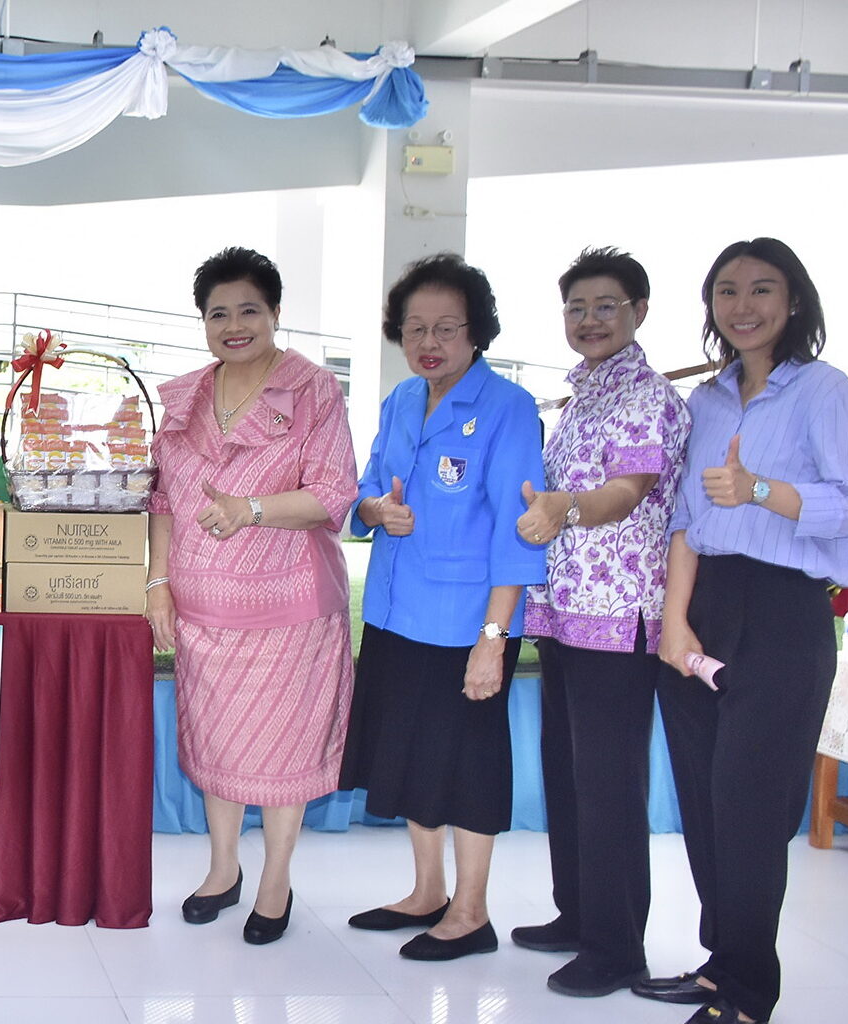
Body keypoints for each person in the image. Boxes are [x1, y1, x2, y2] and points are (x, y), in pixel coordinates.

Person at [642, 239, 848, 1024]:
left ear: (794, 300)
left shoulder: (826, 391)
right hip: (703, 604)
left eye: (762, 289)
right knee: (706, 804)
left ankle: (748, 993)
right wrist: (675, 623)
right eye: (728, 290)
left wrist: (760, 490)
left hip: (782, 612)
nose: (743, 306)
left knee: (749, 810)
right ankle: (722, 966)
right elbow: (684, 519)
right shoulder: (706, 402)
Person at [143, 247, 356, 946]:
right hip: (203, 612)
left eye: (249, 311)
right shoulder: (184, 398)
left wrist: (252, 510)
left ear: (275, 313)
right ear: (203, 322)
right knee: (217, 746)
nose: (234, 326)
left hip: (289, 611)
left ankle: (275, 881)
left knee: (284, 752)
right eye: (218, 314)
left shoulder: (313, 390)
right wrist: (158, 583)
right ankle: (222, 869)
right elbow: (164, 501)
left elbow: (333, 493)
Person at [339, 252, 545, 961]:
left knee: (468, 766)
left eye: (446, 328)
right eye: (414, 328)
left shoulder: (508, 408)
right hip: (395, 613)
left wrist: (494, 638)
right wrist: (375, 510)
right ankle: (427, 892)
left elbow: (519, 532)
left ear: (476, 331)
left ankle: (472, 912)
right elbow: (365, 490)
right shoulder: (401, 400)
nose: (428, 342)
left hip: (466, 628)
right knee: (410, 756)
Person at [511, 247, 690, 998]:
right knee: (568, 771)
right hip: (565, 612)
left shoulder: (647, 395)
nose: (589, 319)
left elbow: (628, 489)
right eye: (577, 307)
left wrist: (567, 509)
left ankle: (617, 948)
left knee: (609, 786)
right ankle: (579, 915)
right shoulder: (581, 394)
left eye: (605, 306)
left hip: (619, 619)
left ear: (639, 311)